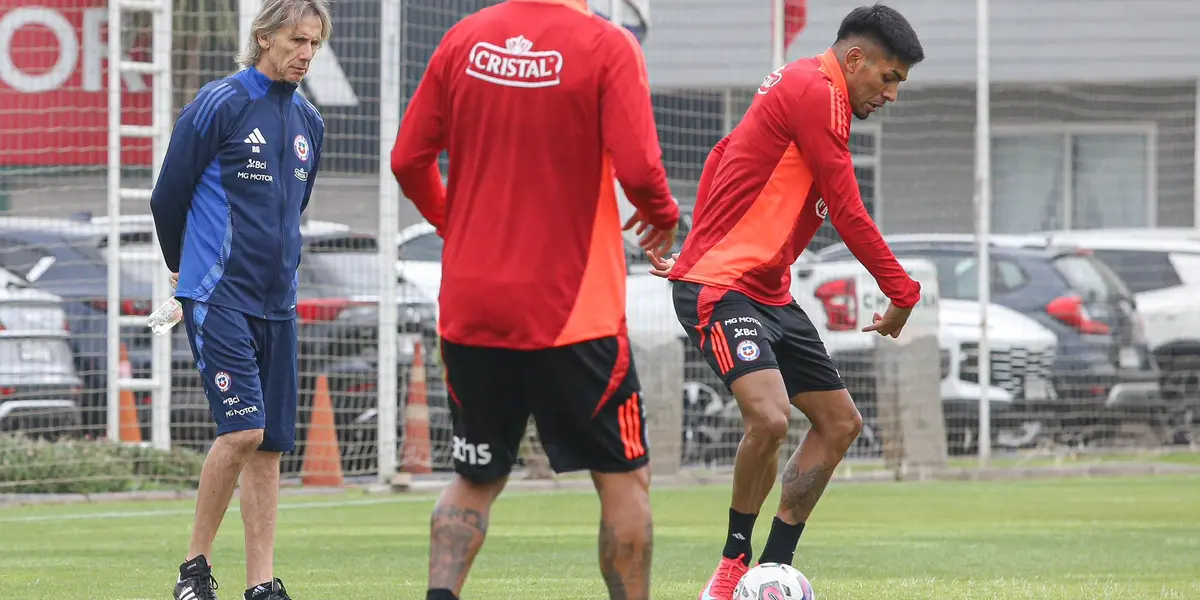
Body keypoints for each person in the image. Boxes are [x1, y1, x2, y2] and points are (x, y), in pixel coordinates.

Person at [389, 1, 679, 599]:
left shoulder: (463, 39)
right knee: (625, 476)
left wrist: (455, 223)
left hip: (472, 310)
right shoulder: (608, 45)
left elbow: (407, 159)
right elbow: (642, 169)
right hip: (574, 314)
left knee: (474, 475)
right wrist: (663, 215)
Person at [644, 4, 925, 600]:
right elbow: (847, 210)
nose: (893, 94)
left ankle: (772, 570)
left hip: (768, 290)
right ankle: (731, 569)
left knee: (840, 423)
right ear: (855, 59)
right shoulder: (813, 89)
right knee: (770, 416)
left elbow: (726, 152)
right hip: (721, 288)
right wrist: (902, 292)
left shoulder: (813, 94)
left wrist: (696, 241)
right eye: (889, 77)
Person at [148, 1, 330, 599]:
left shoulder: (309, 122)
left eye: (315, 43)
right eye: (297, 40)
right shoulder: (220, 103)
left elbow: (289, 214)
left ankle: (262, 584)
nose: (306, 53)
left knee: (271, 445)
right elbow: (167, 198)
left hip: (278, 302)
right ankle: (193, 571)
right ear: (264, 35)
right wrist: (186, 271)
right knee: (244, 431)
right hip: (219, 294)